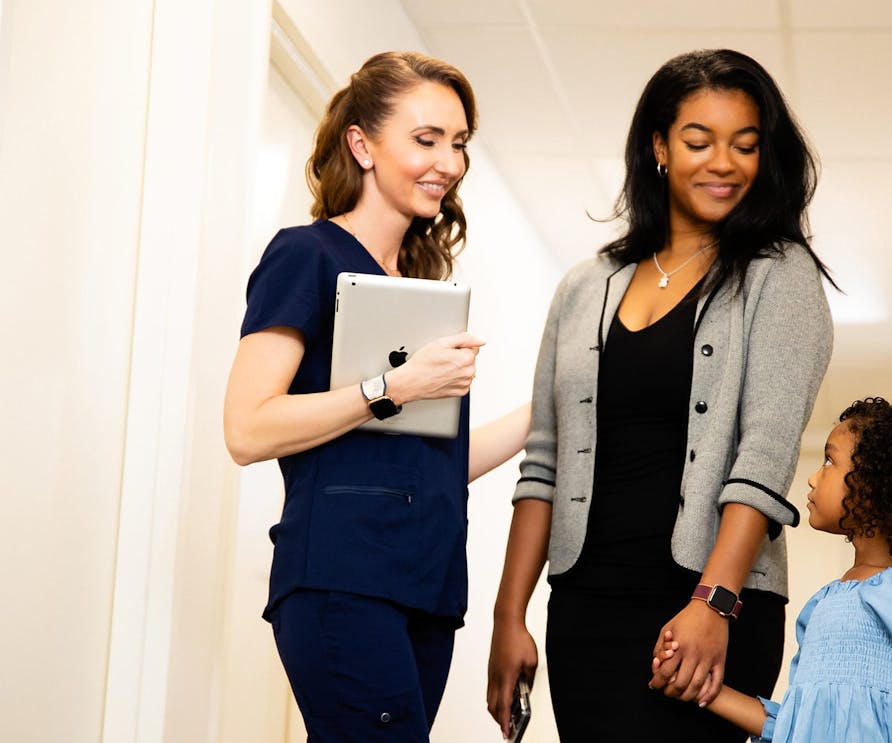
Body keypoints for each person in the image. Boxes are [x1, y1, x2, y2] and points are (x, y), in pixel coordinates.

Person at [487, 49, 834, 742]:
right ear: (659, 148)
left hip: (710, 603)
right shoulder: (584, 287)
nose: (724, 163)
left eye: (745, 144)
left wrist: (714, 602)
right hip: (586, 605)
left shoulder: (779, 275)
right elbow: (544, 462)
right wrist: (508, 616)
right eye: (699, 141)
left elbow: (763, 456)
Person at [223, 51, 528, 742]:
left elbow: (429, 463)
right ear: (362, 144)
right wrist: (392, 387)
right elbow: (246, 428)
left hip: (425, 586)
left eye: (457, 144)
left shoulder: (418, 289)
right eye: (426, 140)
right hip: (344, 577)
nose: (448, 162)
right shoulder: (308, 255)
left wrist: (549, 409)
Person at [653, 398, 892, 742]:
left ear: (880, 482)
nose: (813, 478)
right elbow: (795, 726)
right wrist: (703, 688)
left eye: (830, 460)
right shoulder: (823, 603)